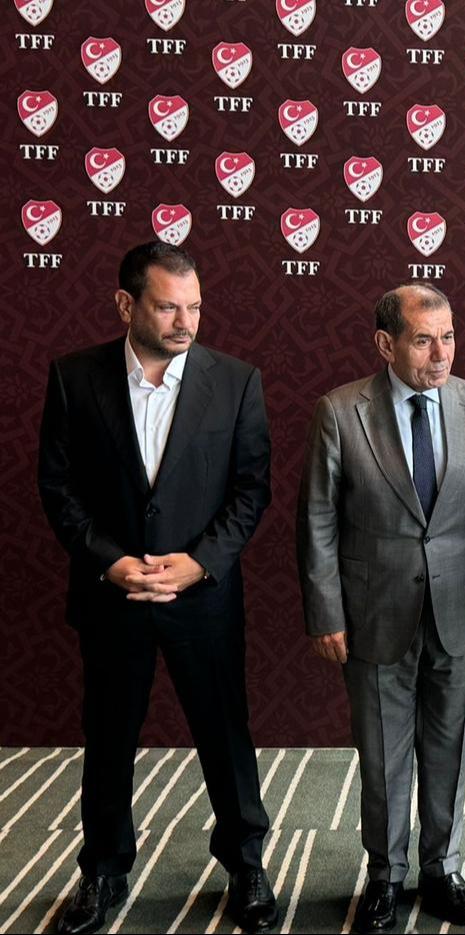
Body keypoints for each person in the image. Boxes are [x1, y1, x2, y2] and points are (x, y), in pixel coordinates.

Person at [37, 242, 278, 934]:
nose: (185, 320)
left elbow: (250, 489)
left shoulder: (236, 381)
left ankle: (246, 860)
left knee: (224, 733)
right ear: (126, 304)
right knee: (108, 735)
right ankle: (104, 868)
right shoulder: (73, 380)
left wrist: (201, 562)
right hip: (112, 595)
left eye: (195, 306)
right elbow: (59, 490)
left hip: (202, 596)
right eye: (169, 305)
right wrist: (109, 561)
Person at [296, 283, 465, 934]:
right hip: (371, 610)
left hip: (459, 608)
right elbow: (318, 519)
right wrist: (325, 609)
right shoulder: (340, 411)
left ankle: (441, 866)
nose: (440, 352)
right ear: (386, 344)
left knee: (450, 745)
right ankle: (384, 876)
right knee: (383, 752)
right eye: (423, 339)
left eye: (447, 336)